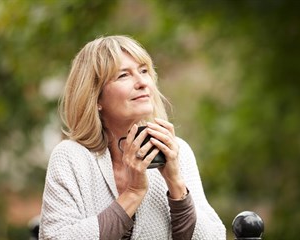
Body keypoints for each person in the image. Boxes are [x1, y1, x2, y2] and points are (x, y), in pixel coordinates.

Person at [39, 35, 226, 240]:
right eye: (123, 75)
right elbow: (55, 237)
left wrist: (175, 183)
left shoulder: (177, 151)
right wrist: (133, 193)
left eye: (144, 71)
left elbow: (214, 236)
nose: (142, 82)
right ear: (96, 97)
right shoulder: (71, 157)